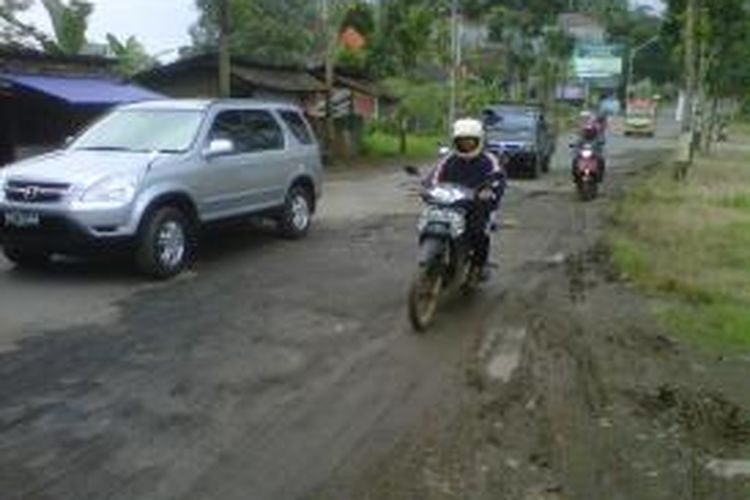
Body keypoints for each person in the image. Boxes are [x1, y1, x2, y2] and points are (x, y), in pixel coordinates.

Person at [427, 118, 506, 278]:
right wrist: (428, 188)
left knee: (479, 232)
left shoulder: (489, 160)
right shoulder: (449, 159)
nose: (466, 144)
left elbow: (498, 178)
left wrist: (489, 190)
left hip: (478, 205)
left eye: (470, 141)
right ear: (456, 141)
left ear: (479, 141)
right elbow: (435, 177)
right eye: (462, 141)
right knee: (431, 224)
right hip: (451, 203)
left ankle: (479, 265)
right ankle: (434, 254)